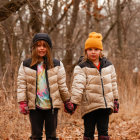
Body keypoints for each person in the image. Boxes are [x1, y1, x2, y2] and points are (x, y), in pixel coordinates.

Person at [17, 33, 70, 140]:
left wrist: (67, 101)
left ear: (49, 48)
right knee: (36, 136)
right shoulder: (26, 65)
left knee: (51, 136)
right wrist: (22, 102)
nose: (41, 48)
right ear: (33, 48)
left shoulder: (57, 64)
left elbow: (62, 85)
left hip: (51, 107)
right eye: (38, 45)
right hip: (35, 107)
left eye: (44, 46)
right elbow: (21, 84)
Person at [67, 32, 119, 140]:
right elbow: (78, 85)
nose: (93, 52)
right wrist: (74, 102)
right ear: (86, 51)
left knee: (103, 133)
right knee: (88, 133)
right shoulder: (82, 66)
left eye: (96, 49)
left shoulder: (108, 66)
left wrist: (115, 99)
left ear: (101, 51)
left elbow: (113, 83)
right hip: (89, 107)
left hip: (104, 106)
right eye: (90, 49)